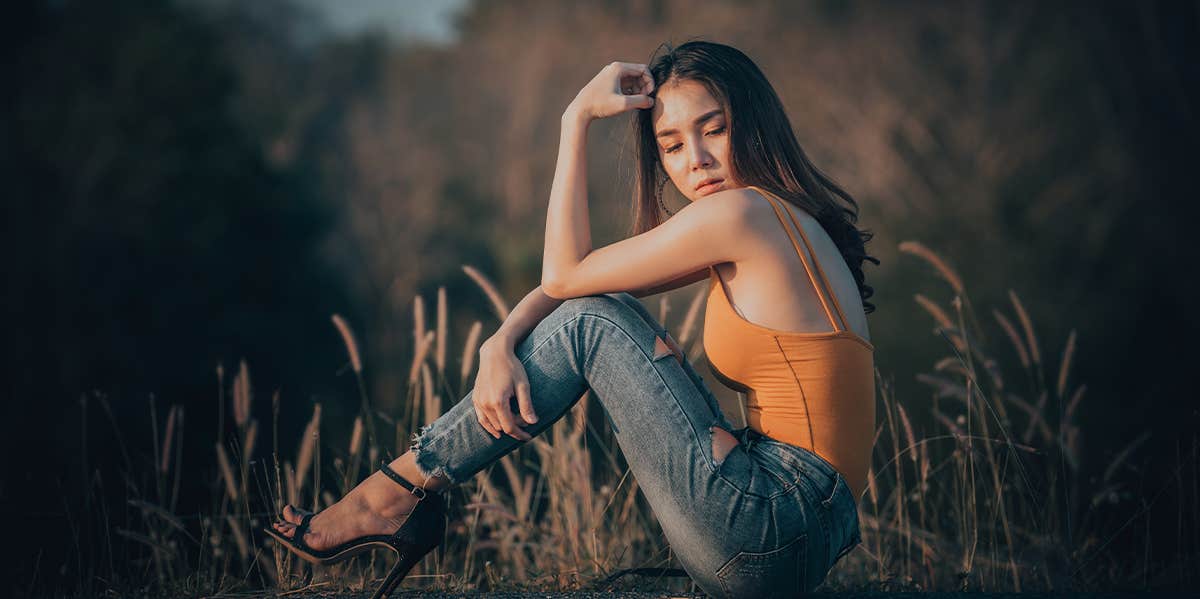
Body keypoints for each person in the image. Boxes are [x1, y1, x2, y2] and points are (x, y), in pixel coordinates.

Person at [265, 40, 879, 599]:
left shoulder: (741, 214)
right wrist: (500, 340)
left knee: (595, 323)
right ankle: (394, 492)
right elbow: (583, 284)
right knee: (597, 313)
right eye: (670, 145)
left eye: (713, 130)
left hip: (773, 525)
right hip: (796, 532)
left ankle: (388, 496)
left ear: (754, 123)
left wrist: (574, 121)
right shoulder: (777, 219)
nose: (695, 159)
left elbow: (567, 279)